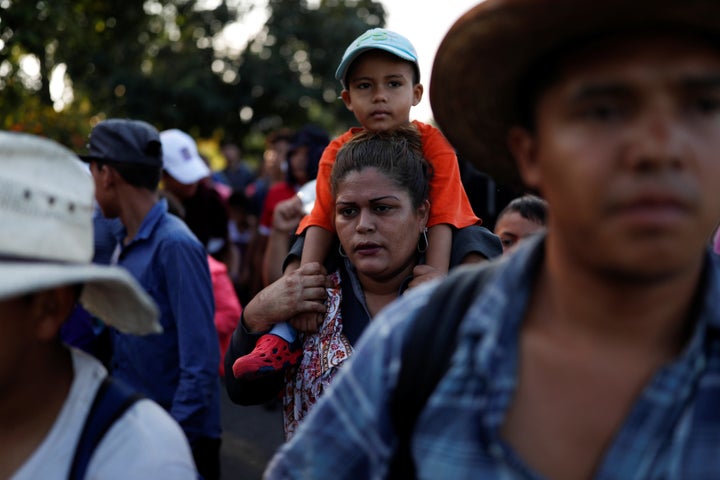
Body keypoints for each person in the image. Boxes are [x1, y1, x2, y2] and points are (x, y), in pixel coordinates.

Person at [264, 0, 720, 478]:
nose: (659, 148)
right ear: (531, 153)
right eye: (604, 110)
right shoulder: (418, 340)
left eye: (705, 105)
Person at [233, 28, 484, 379]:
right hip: (350, 253)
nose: (380, 96)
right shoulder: (336, 151)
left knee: (477, 244)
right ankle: (281, 338)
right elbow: (321, 218)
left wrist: (435, 279)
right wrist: (306, 288)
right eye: (366, 86)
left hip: (431, 243)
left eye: (393, 84)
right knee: (303, 248)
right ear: (348, 99)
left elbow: (443, 215)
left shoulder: (434, 144)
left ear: (415, 94)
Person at [225, 127, 500, 439]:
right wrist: (254, 315)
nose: (363, 226)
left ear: (422, 213)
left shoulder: (460, 286)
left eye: (382, 208)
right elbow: (243, 392)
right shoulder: (312, 294)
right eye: (348, 211)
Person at [0, 131, 198, 479]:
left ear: (48, 307)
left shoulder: (141, 460)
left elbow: (199, 355)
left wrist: (189, 429)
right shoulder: (125, 240)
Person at [82, 119, 222, 480]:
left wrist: (169, 444)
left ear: (107, 174)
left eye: (92, 171)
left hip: (176, 443)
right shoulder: (122, 238)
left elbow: (200, 364)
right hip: (137, 430)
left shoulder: (175, 244)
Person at [259, 125, 330, 286]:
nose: (298, 159)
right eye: (294, 153)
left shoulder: (336, 191)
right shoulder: (276, 193)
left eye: (306, 153)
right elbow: (262, 245)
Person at [160, 128, 230, 260]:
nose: (192, 182)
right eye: (184, 175)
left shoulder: (212, 202)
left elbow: (225, 247)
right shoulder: (152, 208)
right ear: (163, 175)